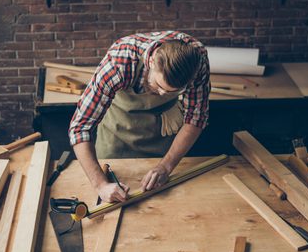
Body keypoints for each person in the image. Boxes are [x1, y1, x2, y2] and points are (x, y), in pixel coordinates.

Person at [69, 31, 210, 203]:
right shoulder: (119, 62)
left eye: (172, 91)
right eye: (158, 85)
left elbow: (196, 118)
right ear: (151, 62)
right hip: (117, 136)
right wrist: (100, 185)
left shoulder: (197, 60)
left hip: (162, 138)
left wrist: (166, 166)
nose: (162, 94)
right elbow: (80, 127)